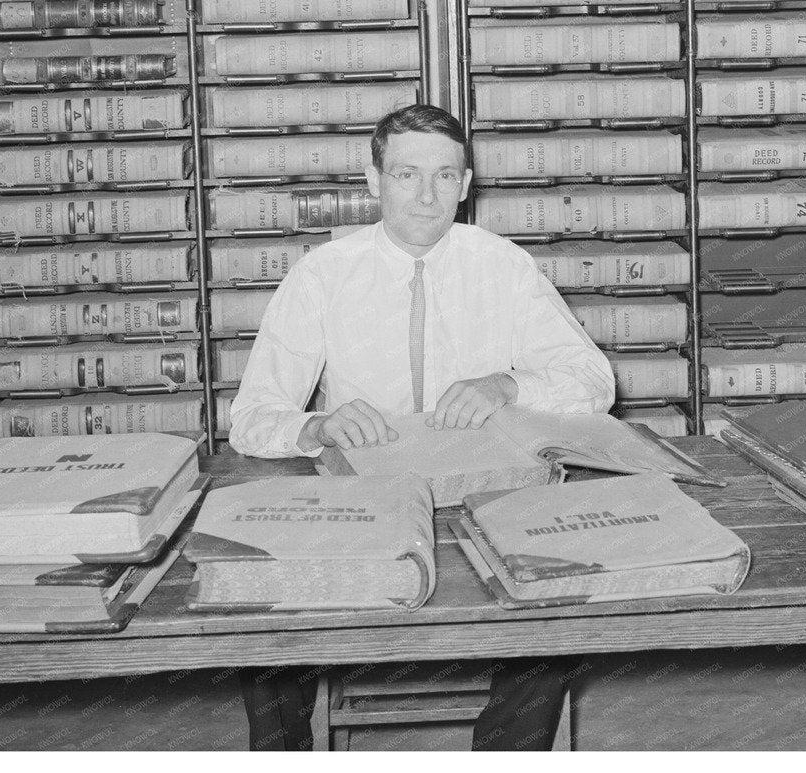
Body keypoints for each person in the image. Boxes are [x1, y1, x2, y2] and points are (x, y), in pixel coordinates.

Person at [230, 103, 614, 750]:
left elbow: (594, 382)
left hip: (486, 494)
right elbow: (251, 418)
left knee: (557, 599)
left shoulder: (503, 265)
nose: (426, 196)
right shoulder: (323, 273)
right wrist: (317, 426)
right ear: (373, 180)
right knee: (264, 605)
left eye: (444, 176)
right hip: (363, 498)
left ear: (466, 185)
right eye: (407, 175)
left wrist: (509, 385)